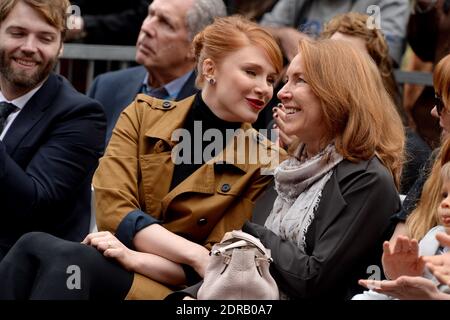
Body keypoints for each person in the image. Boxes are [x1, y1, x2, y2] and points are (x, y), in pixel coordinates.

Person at [0, 16, 285, 300]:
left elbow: (217, 262)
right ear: (210, 68)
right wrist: (191, 252)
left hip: (182, 289)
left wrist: (134, 258)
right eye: (251, 72)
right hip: (120, 262)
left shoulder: (268, 158)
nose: (265, 88)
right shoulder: (142, 114)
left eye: (271, 79)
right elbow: (112, 208)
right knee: (33, 246)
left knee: (69, 261)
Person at [172, 38, 405, 300]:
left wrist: (253, 234)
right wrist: (190, 298)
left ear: (338, 93)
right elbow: (244, 266)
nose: (282, 92)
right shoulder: (288, 169)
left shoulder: (367, 179)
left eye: (300, 80)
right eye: (286, 79)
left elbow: (313, 279)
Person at [276, 12, 430, 194]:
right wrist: (288, 154)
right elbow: (258, 197)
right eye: (332, 56)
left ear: (371, 73)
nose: (340, 66)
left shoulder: (408, 152)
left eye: (352, 61)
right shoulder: (277, 126)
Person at [0, 0, 106, 260]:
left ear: (60, 47)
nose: (29, 48)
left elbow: (35, 203)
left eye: (45, 38)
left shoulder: (80, 115)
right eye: (18, 33)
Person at [87, 0, 226, 143]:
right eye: (150, 14)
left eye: (165, 23)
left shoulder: (215, 107)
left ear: (196, 48)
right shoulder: (106, 87)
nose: (146, 27)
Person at [357, 161, 450, 300]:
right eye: (444, 195)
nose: (445, 203)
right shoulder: (435, 235)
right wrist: (404, 274)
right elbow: (403, 286)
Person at [389, 53, 450, 249]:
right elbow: (395, 248)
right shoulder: (438, 159)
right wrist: (400, 266)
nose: (434, 111)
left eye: (441, 103)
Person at [259, 0, 410, 66]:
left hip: (358, 100)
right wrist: (283, 34)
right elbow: (258, 34)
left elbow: (383, 57)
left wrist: (308, 58)